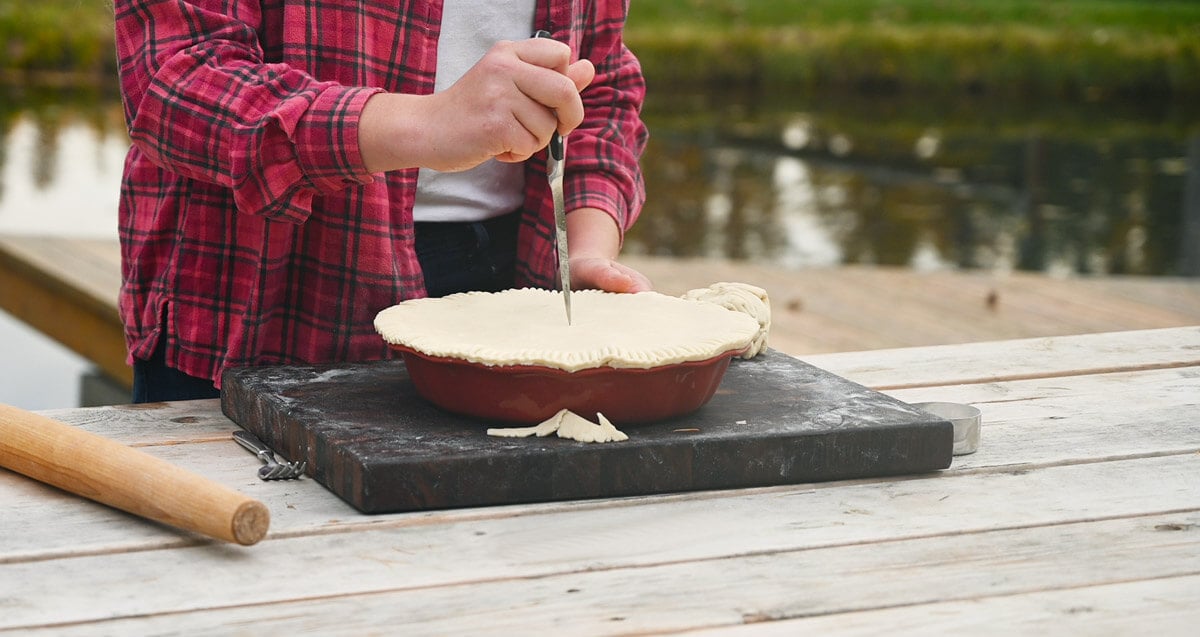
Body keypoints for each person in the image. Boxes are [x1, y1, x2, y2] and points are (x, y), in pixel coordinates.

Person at [113, 0, 652, 403]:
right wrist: (428, 123)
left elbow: (599, 85)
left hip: (521, 287)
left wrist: (585, 252)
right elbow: (174, 77)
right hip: (264, 313)